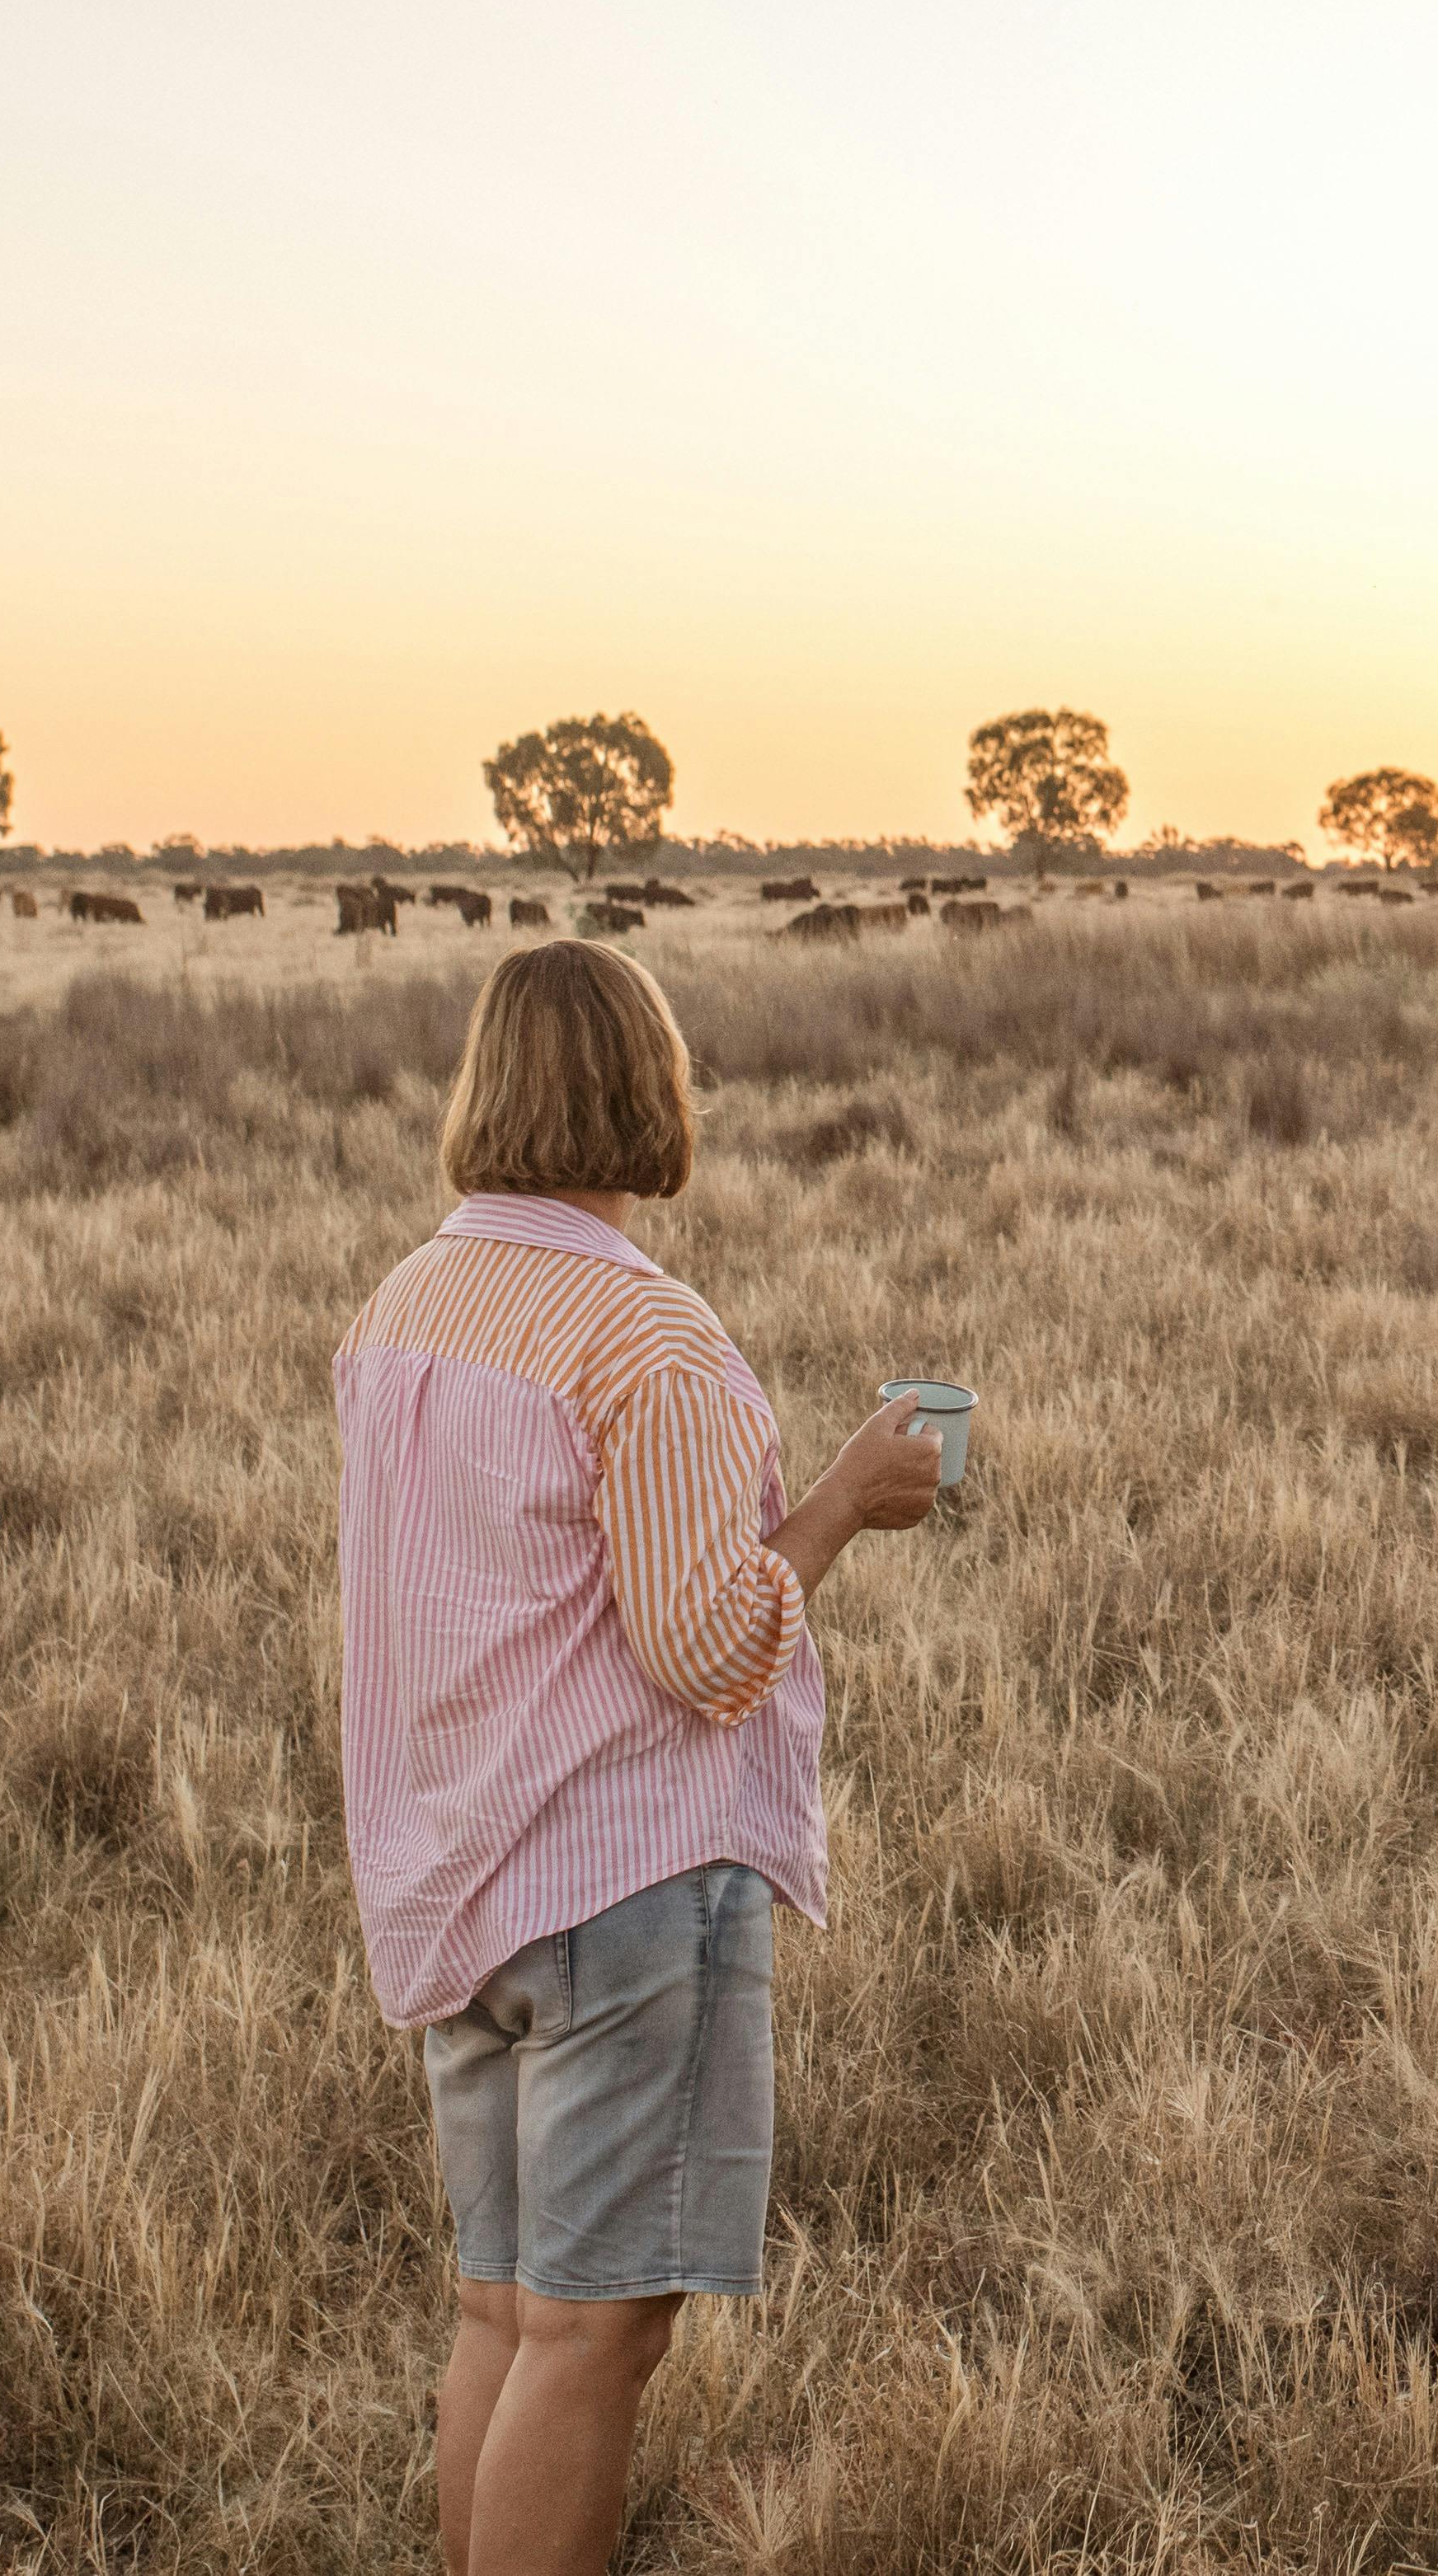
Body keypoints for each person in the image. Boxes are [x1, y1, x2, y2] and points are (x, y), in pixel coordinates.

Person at [332, 941, 954, 2576]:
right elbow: (706, 1651)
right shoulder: (646, 1340)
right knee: (593, 2336)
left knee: (501, 2310)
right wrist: (837, 1505)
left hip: (452, 1867)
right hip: (615, 1880)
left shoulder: (405, 1307)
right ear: (650, 1093)